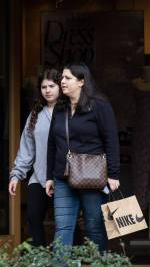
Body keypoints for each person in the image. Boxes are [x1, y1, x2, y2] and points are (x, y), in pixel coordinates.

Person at [46, 63, 120, 253]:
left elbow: (111, 140)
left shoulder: (99, 106)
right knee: (62, 228)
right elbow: (52, 144)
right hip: (62, 177)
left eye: (67, 78)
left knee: (94, 228)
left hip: (92, 176)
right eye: (62, 78)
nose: (62, 81)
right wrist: (49, 176)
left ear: (81, 82)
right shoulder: (60, 108)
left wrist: (113, 174)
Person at [8, 68, 61, 246]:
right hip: (38, 178)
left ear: (60, 86)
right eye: (44, 87)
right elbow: (26, 149)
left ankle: (67, 263)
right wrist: (16, 175)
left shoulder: (69, 112)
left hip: (63, 178)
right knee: (33, 217)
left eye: (52, 86)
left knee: (66, 223)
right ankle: (40, 261)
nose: (47, 90)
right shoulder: (35, 115)